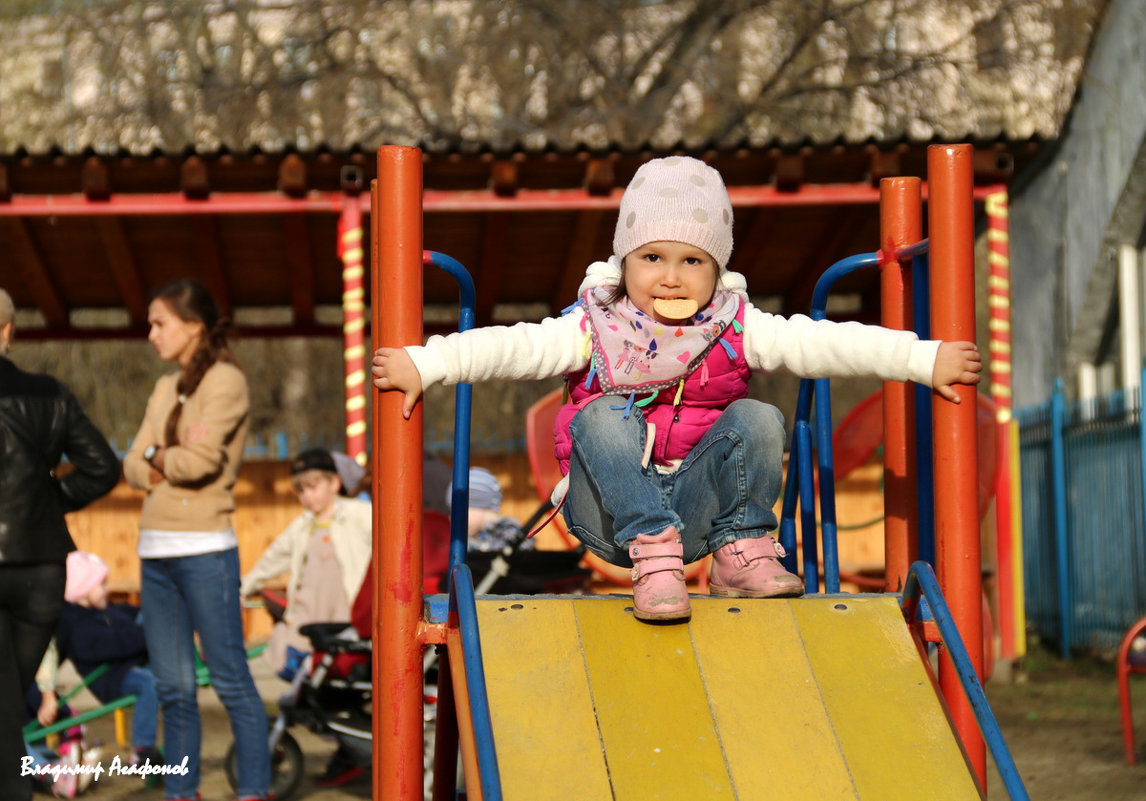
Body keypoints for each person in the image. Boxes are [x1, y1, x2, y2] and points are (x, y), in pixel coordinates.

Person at [372, 156, 982, 623]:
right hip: (608, 517)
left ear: (717, 269)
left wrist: (924, 359)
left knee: (758, 416)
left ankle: (740, 550)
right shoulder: (593, 326)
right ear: (624, 263)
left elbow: (827, 343)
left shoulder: (735, 325)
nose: (670, 276)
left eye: (692, 261)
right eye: (653, 257)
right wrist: (427, 365)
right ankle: (653, 552)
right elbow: (508, 346)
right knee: (603, 414)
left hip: (697, 511)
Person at [123, 278, 270, 801]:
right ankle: (181, 791)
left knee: (230, 680)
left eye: (159, 322)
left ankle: (254, 789)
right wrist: (154, 461)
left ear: (193, 326)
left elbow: (199, 462)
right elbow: (130, 462)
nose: (151, 334)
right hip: (154, 553)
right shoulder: (165, 387)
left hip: (206, 551)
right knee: (173, 689)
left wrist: (153, 458)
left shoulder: (226, 381)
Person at [0, 287, 120, 801]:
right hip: (44, 572)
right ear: (8, 330)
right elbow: (103, 468)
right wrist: (44, 505)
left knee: (4, 710)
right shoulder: (50, 392)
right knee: (6, 706)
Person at [240, 448, 372, 677]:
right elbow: (273, 559)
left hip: (345, 609)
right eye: (300, 491)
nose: (307, 496)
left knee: (339, 663)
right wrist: (244, 587)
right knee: (293, 656)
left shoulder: (359, 514)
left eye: (313, 487)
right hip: (310, 610)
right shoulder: (302, 525)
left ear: (334, 483)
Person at [56, 550, 162, 767]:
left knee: (156, 613)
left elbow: (130, 616)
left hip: (130, 666)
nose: (107, 589)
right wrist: (149, 634)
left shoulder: (105, 610)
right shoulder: (77, 625)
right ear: (83, 591)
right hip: (111, 680)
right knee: (147, 683)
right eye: (101, 584)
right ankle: (141, 752)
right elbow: (116, 645)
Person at [447, 466, 534, 553]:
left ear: (479, 505)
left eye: (457, 511)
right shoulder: (476, 538)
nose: (451, 519)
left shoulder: (509, 534)